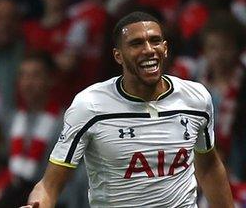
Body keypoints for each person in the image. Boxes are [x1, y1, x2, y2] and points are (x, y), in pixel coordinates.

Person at [25, 11, 233, 207]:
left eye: (155, 41)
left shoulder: (196, 98)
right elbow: (50, 184)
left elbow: (209, 167)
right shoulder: (90, 106)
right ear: (118, 56)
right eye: (136, 43)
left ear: (166, 48)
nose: (149, 50)